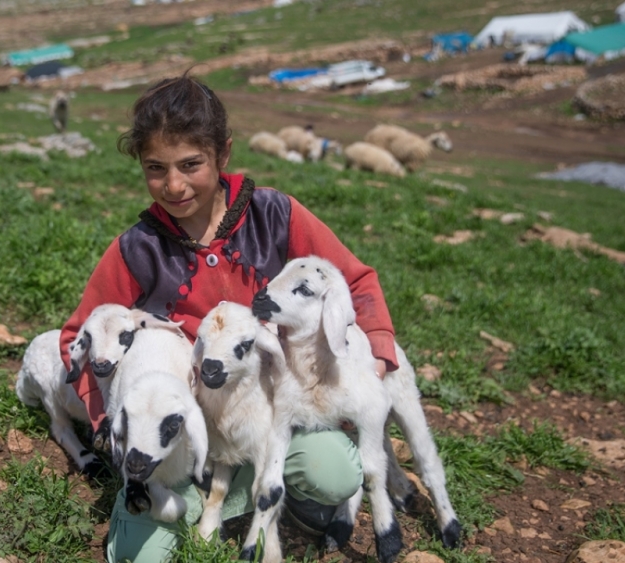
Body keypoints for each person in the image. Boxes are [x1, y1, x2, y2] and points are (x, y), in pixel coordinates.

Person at [58, 72, 398, 563]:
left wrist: (377, 353)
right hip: (180, 436)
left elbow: (354, 282)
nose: (173, 185)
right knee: (142, 556)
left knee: (333, 472)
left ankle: (275, 489)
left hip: (273, 414)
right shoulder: (137, 249)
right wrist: (116, 421)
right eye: (155, 168)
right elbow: (81, 333)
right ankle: (205, 494)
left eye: (191, 164)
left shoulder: (276, 216)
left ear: (224, 154)